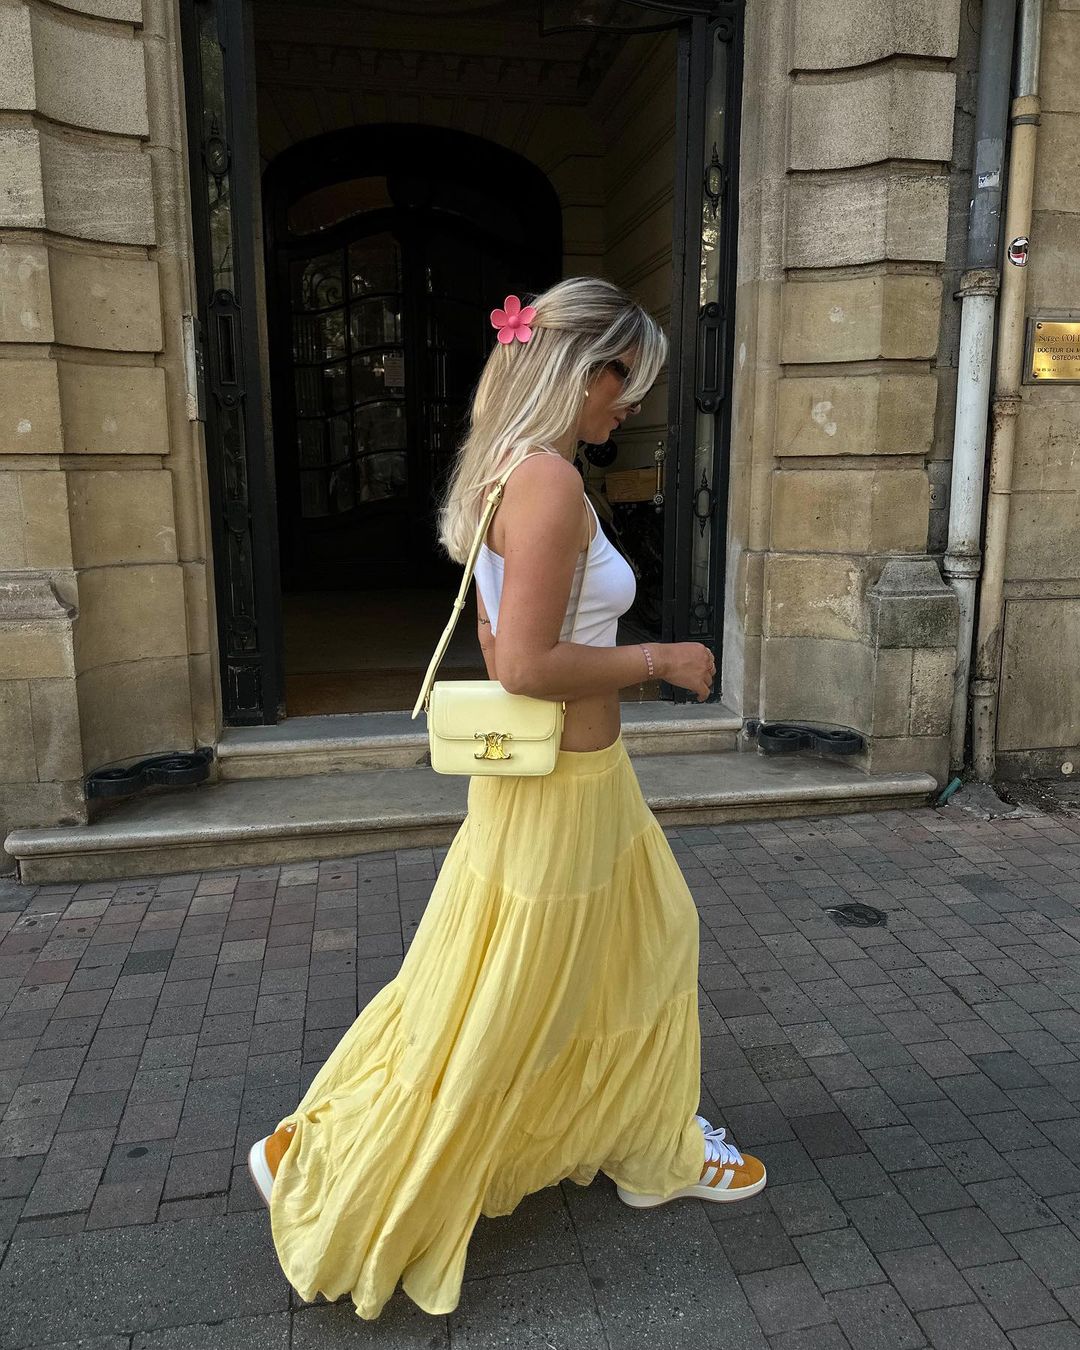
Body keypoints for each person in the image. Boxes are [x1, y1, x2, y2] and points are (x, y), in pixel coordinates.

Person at [247, 277, 766, 1320]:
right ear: (584, 368)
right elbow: (523, 663)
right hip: (563, 788)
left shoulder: (510, 469)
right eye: (628, 382)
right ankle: (354, 1151)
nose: (633, 406)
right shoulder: (545, 483)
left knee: (554, 960)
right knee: (512, 993)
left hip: (565, 783)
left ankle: (636, 1136)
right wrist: (662, 659)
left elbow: (494, 639)